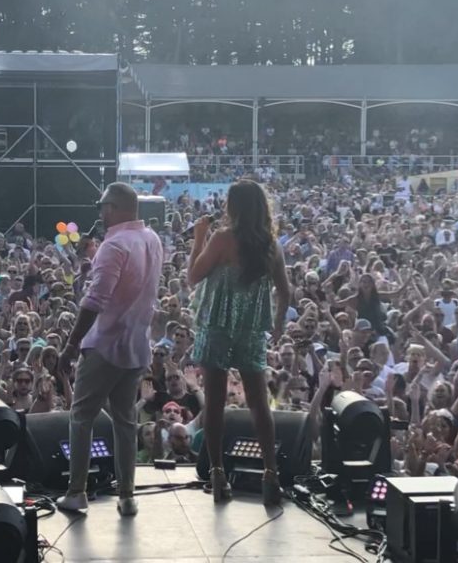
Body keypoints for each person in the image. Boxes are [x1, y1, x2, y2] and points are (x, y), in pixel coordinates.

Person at [56, 183, 164, 517]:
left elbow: (95, 301)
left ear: (114, 207)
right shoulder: (153, 239)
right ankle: (127, 495)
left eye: (102, 207)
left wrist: (71, 345)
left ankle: (77, 492)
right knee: (125, 421)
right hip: (136, 345)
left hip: (105, 345)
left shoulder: (114, 245)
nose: (100, 213)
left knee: (81, 417)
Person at [186, 179, 291, 505]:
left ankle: (217, 473)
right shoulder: (271, 245)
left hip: (217, 326)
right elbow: (285, 292)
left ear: (234, 207)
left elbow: (192, 276)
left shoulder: (221, 238)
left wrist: (199, 237)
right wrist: (277, 325)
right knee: (259, 403)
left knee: (215, 403)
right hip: (250, 330)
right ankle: (271, 474)